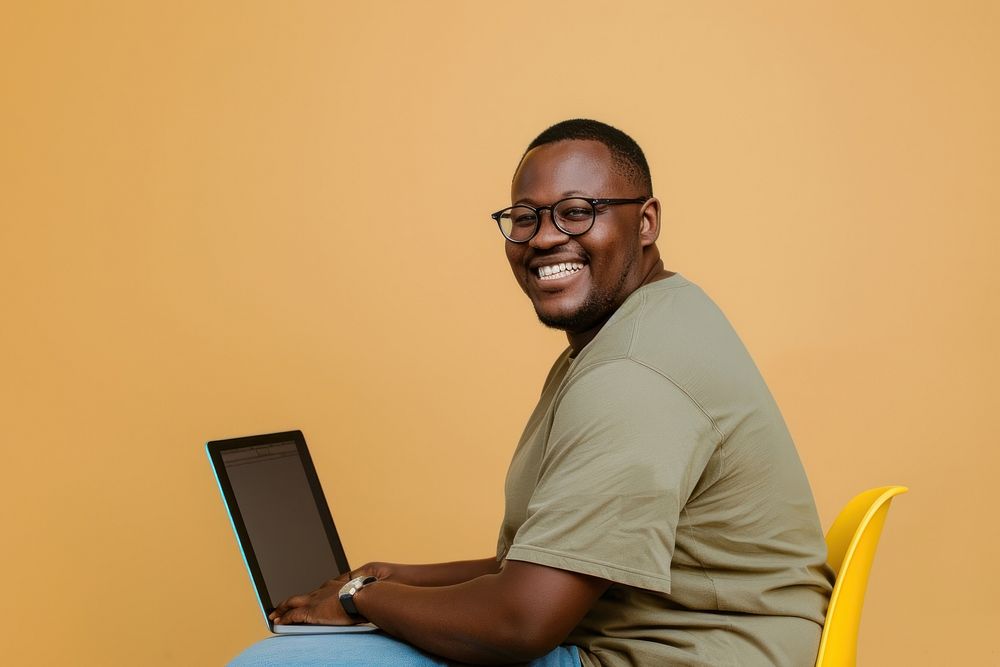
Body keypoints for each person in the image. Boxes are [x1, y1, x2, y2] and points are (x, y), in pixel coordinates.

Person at [235, 119, 833, 666]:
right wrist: (394, 578)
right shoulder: (648, 322)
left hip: (678, 657)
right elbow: (561, 563)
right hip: (663, 638)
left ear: (645, 222)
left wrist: (362, 598)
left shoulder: (633, 376)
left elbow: (522, 621)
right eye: (525, 217)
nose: (545, 238)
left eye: (577, 212)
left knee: (273, 664)